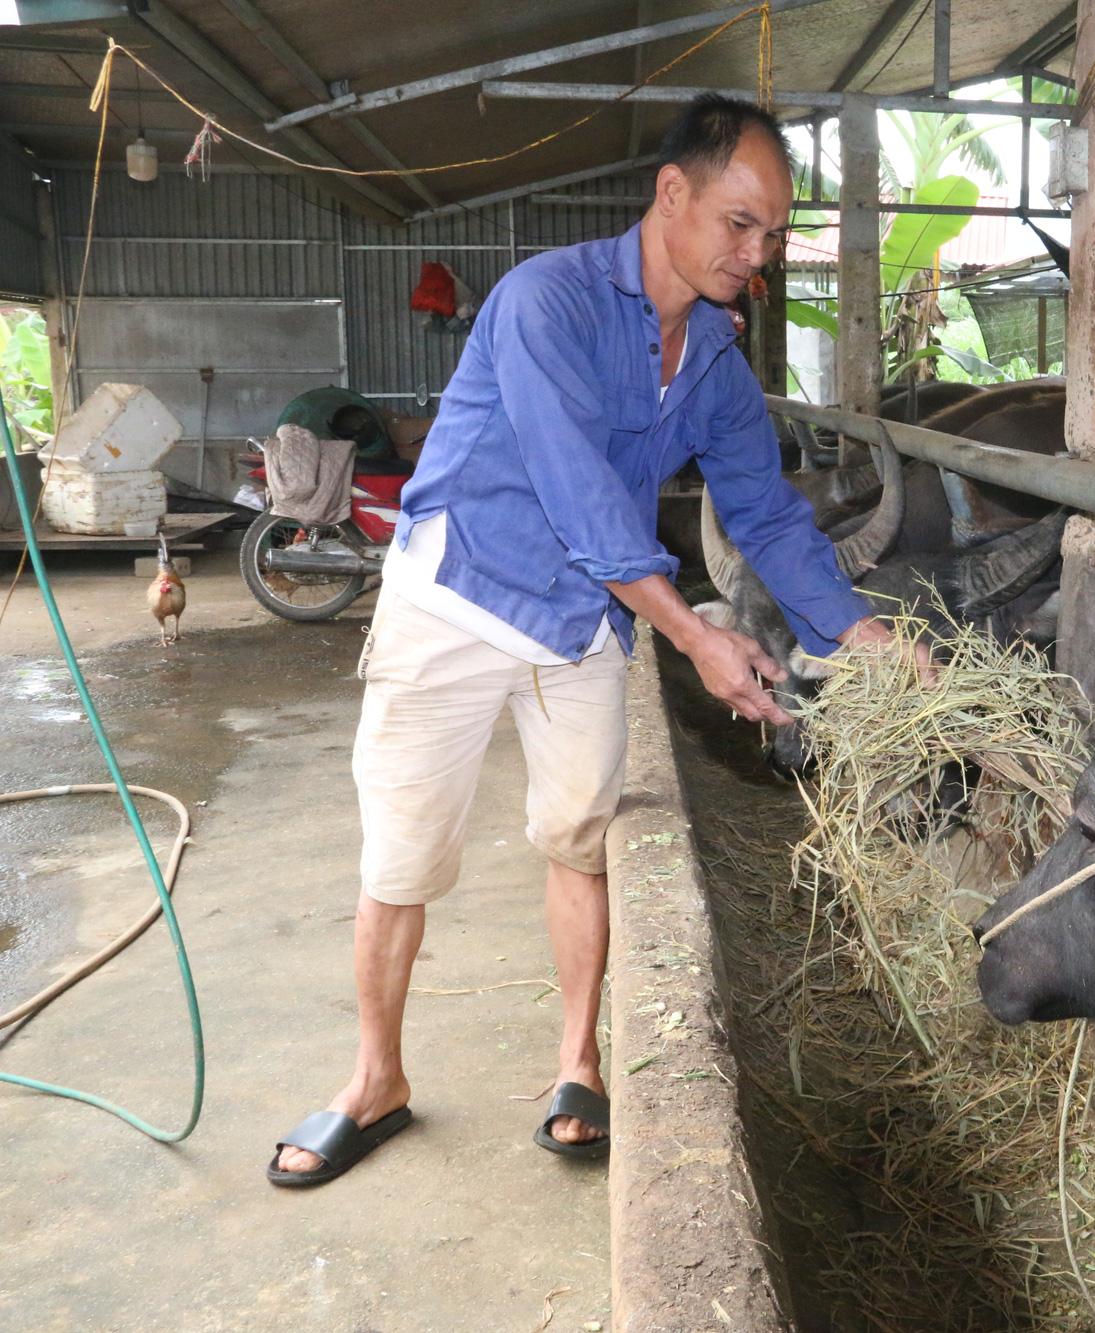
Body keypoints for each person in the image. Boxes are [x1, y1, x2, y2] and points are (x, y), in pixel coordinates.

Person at [268, 94, 924, 1185]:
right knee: (402, 856)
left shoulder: (713, 353)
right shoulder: (547, 302)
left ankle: (579, 1059)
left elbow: (761, 511)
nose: (754, 254)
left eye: (772, 234)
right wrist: (693, 638)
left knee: (580, 837)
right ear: (672, 194)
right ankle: (375, 1076)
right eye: (738, 222)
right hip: (460, 595)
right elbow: (580, 496)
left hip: (582, 619)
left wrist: (857, 636)